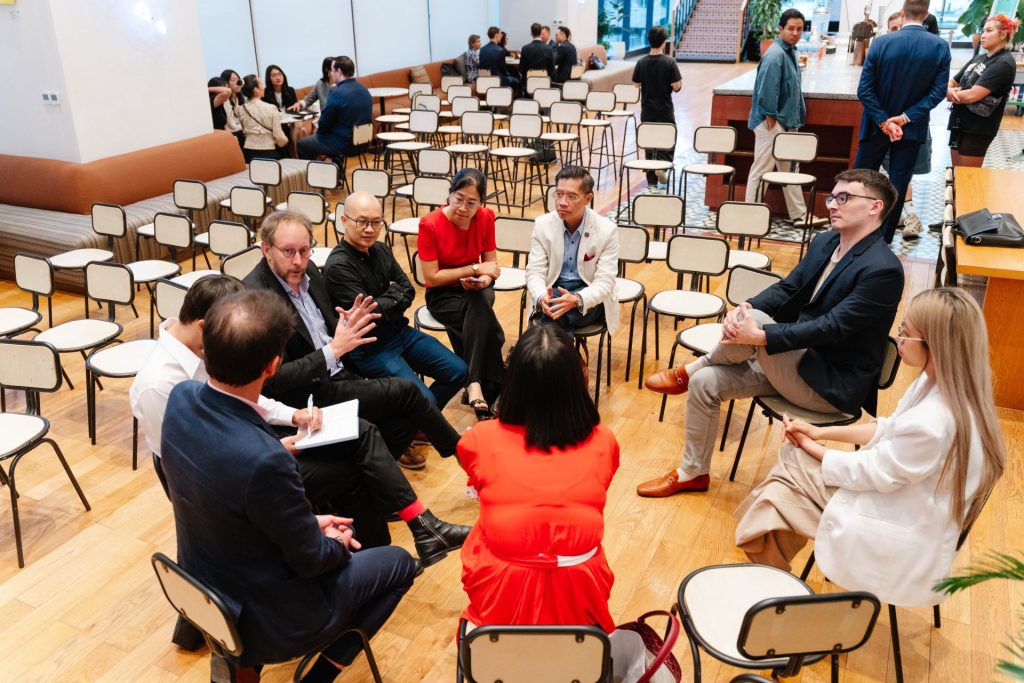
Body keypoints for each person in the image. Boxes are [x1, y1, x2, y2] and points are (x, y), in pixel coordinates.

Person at [160, 288, 419, 682]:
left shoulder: (181, 397)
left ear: (205, 347)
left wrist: (310, 525)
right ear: (273, 365)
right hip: (267, 614)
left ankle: (239, 667)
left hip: (204, 587)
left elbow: (232, 507)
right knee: (399, 563)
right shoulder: (264, 460)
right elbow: (311, 560)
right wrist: (334, 541)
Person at [131, 274, 471, 562]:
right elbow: (197, 466)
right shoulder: (160, 385)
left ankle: (419, 526)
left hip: (251, 443)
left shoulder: (206, 347)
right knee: (354, 471)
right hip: (232, 477)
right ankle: (374, 557)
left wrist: (295, 416)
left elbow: (245, 395)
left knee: (362, 431)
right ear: (208, 326)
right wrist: (278, 447)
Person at [639, 169, 905, 498]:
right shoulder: (826, 241)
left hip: (827, 385)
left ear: (874, 207)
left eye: (844, 197)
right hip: (791, 364)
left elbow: (833, 327)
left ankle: (692, 366)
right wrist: (744, 307)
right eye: (832, 197)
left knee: (760, 324)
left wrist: (760, 336)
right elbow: (788, 287)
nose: (832, 204)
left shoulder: (884, 269)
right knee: (707, 382)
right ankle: (693, 472)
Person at [734, 287, 1006, 607]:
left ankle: (773, 585)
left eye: (906, 332)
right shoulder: (940, 383)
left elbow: (873, 471)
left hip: (902, 525)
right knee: (785, 480)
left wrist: (812, 445)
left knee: (781, 488)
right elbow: (890, 428)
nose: (899, 338)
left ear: (936, 345)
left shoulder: (935, 420)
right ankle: (771, 576)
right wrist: (821, 435)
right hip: (901, 493)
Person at [244, 210, 462, 472]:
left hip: (340, 371)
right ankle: (462, 452)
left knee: (406, 418)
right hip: (306, 394)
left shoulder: (309, 269)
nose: (298, 261)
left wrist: (346, 326)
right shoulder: (254, 298)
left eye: (305, 250)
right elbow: (274, 380)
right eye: (288, 252)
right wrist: (332, 350)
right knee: (408, 392)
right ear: (266, 249)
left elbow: (327, 327)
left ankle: (366, 487)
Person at [459, 325, 620, 632]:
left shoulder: (479, 439)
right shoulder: (604, 441)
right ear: (577, 381)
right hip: (582, 602)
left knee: (487, 526)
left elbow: (480, 484)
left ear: (514, 382)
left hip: (497, 605)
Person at [323, 191, 469, 409]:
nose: (370, 229)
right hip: (370, 347)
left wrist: (388, 300)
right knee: (423, 400)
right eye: (362, 222)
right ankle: (422, 417)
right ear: (344, 221)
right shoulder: (338, 266)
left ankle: (420, 421)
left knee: (459, 371)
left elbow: (408, 289)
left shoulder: (380, 249)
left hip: (400, 331)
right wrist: (394, 295)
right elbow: (368, 315)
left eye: (376, 222)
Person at [853, 0, 950, 243]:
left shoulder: (882, 43)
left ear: (903, 13)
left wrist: (885, 121)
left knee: (861, 181)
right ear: (926, 14)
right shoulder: (939, 47)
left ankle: (855, 232)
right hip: (912, 128)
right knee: (897, 184)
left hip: (876, 126)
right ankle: (882, 240)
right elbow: (937, 93)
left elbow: (865, 90)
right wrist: (905, 118)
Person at [417, 168, 506, 420]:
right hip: (442, 295)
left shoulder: (486, 218)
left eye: (472, 202)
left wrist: (483, 279)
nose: (463, 208)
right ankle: (485, 382)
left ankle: (473, 383)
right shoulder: (430, 224)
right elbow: (431, 277)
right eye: (458, 199)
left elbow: (491, 266)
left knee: (481, 298)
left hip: (477, 289)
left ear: (481, 203)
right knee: (490, 329)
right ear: (449, 194)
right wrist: (475, 269)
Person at [745, 9, 825, 227]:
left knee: (790, 170)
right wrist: (772, 122)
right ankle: (748, 218)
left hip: (785, 121)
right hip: (772, 123)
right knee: (761, 170)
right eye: (791, 28)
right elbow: (767, 92)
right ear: (780, 29)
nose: (796, 33)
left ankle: (799, 215)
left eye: (799, 29)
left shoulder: (789, 51)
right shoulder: (775, 55)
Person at [526, 166, 619, 343]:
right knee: (556, 310)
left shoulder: (607, 230)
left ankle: (536, 358)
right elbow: (534, 272)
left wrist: (576, 299)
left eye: (571, 196)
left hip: (589, 298)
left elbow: (605, 283)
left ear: (588, 199)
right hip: (553, 291)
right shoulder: (543, 224)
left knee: (554, 315)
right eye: (559, 194)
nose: (562, 202)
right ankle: (569, 364)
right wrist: (541, 297)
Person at [946, 14, 1019, 168]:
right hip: (960, 122)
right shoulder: (979, 59)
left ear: (1003, 34)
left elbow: (972, 95)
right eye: (983, 30)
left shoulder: (1003, 63)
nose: (983, 35)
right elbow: (952, 81)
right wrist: (952, 90)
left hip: (977, 128)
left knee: (967, 179)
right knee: (955, 174)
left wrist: (951, 93)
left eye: (989, 31)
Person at [631, 25, 682, 190]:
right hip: (665, 110)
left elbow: (636, 84)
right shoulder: (669, 62)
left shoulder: (641, 62)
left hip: (647, 110)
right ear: (664, 42)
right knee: (668, 139)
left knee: (649, 143)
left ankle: (651, 180)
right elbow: (677, 86)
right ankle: (664, 164)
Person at [297, 56, 372, 162]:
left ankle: (319, 176)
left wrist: (321, 130)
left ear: (339, 71)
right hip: (364, 142)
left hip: (345, 145)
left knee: (302, 144)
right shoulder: (364, 89)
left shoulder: (337, 93)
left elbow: (324, 124)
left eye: (332, 70)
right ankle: (335, 170)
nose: (331, 73)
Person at [238, 75, 289, 161]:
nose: (264, 87)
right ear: (256, 90)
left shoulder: (241, 109)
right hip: (268, 152)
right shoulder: (271, 108)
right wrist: (286, 141)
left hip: (248, 153)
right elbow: (279, 137)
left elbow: (244, 132)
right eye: (261, 84)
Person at [480, 26, 520, 92]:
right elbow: (503, 71)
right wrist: (510, 74)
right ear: (496, 35)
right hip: (498, 79)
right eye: (500, 34)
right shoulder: (500, 50)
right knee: (517, 80)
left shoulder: (482, 49)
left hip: (485, 79)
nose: (501, 36)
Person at [220, 69, 245, 147]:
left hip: (239, 129)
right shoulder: (225, 101)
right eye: (233, 80)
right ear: (226, 83)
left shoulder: (238, 98)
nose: (237, 82)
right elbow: (232, 125)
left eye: (238, 80)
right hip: (232, 132)